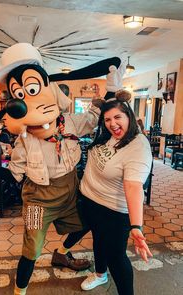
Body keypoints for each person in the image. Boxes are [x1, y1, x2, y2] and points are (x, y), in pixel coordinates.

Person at [0, 43, 122, 295]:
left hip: (69, 192)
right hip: (37, 202)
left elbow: (95, 117)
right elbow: (14, 176)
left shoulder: (70, 124)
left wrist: (111, 92)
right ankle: (19, 291)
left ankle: (62, 254)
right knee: (31, 249)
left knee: (86, 223)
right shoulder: (24, 141)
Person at [79, 89, 153, 295]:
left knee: (116, 257)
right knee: (98, 240)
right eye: (108, 119)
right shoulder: (108, 135)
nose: (112, 124)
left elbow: (134, 186)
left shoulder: (138, 146)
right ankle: (101, 275)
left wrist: (136, 226)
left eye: (118, 117)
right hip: (90, 201)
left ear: (128, 115)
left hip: (113, 211)